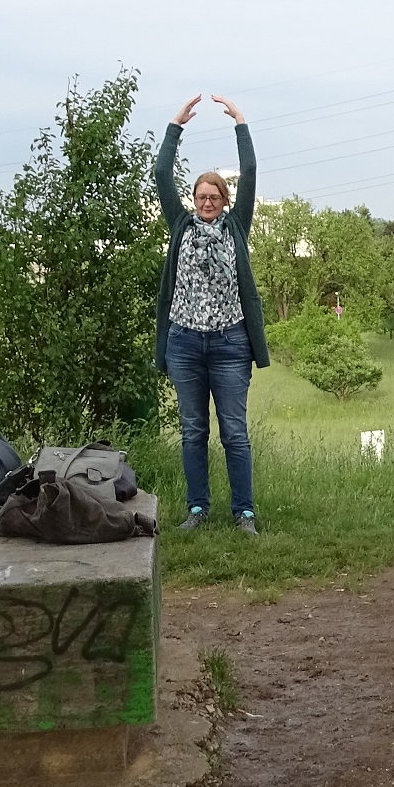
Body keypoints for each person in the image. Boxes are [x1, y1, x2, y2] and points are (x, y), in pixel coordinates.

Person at [155, 94, 269, 534]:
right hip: (184, 343)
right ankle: (197, 509)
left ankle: (244, 513)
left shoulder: (237, 225)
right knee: (192, 432)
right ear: (193, 199)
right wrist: (175, 126)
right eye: (201, 196)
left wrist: (240, 122)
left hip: (229, 343)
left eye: (214, 196)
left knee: (235, 433)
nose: (206, 202)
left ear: (224, 200)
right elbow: (161, 173)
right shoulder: (180, 225)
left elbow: (250, 171)